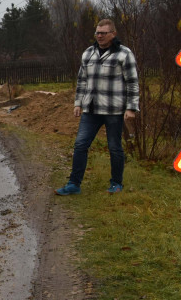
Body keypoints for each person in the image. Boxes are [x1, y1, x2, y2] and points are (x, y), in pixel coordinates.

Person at [56, 19, 139, 196]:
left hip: (114, 110)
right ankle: (74, 184)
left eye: (103, 33)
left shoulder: (124, 54)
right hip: (91, 110)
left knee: (114, 147)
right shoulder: (88, 53)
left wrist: (131, 108)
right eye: (97, 33)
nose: (99, 36)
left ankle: (116, 183)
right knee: (80, 145)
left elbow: (132, 82)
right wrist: (78, 103)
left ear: (113, 34)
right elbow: (82, 80)